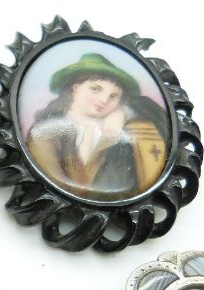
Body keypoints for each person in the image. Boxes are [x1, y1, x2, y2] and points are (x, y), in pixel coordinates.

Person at [25, 53, 169, 201]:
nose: (104, 100)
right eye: (95, 89)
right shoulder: (46, 132)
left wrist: (124, 112)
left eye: (113, 96)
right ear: (75, 88)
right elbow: (51, 184)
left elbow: (155, 113)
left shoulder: (116, 134)